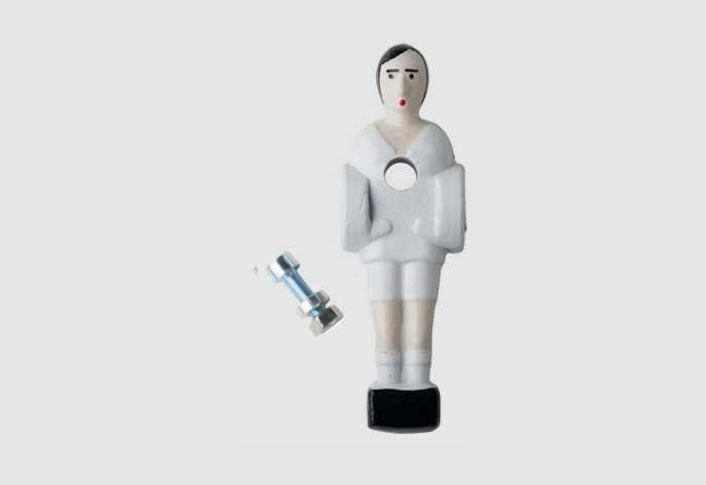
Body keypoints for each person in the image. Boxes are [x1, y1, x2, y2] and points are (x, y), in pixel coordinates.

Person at [341, 44, 466, 432]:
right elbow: (352, 189)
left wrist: (437, 228)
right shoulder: (367, 139)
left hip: (423, 243)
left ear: (425, 83)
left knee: (420, 311)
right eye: (392, 75)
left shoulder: (435, 138)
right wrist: (365, 228)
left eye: (412, 75)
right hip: (380, 244)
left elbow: (450, 189)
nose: (402, 86)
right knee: (385, 312)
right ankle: (387, 377)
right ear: (379, 83)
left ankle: (418, 376)